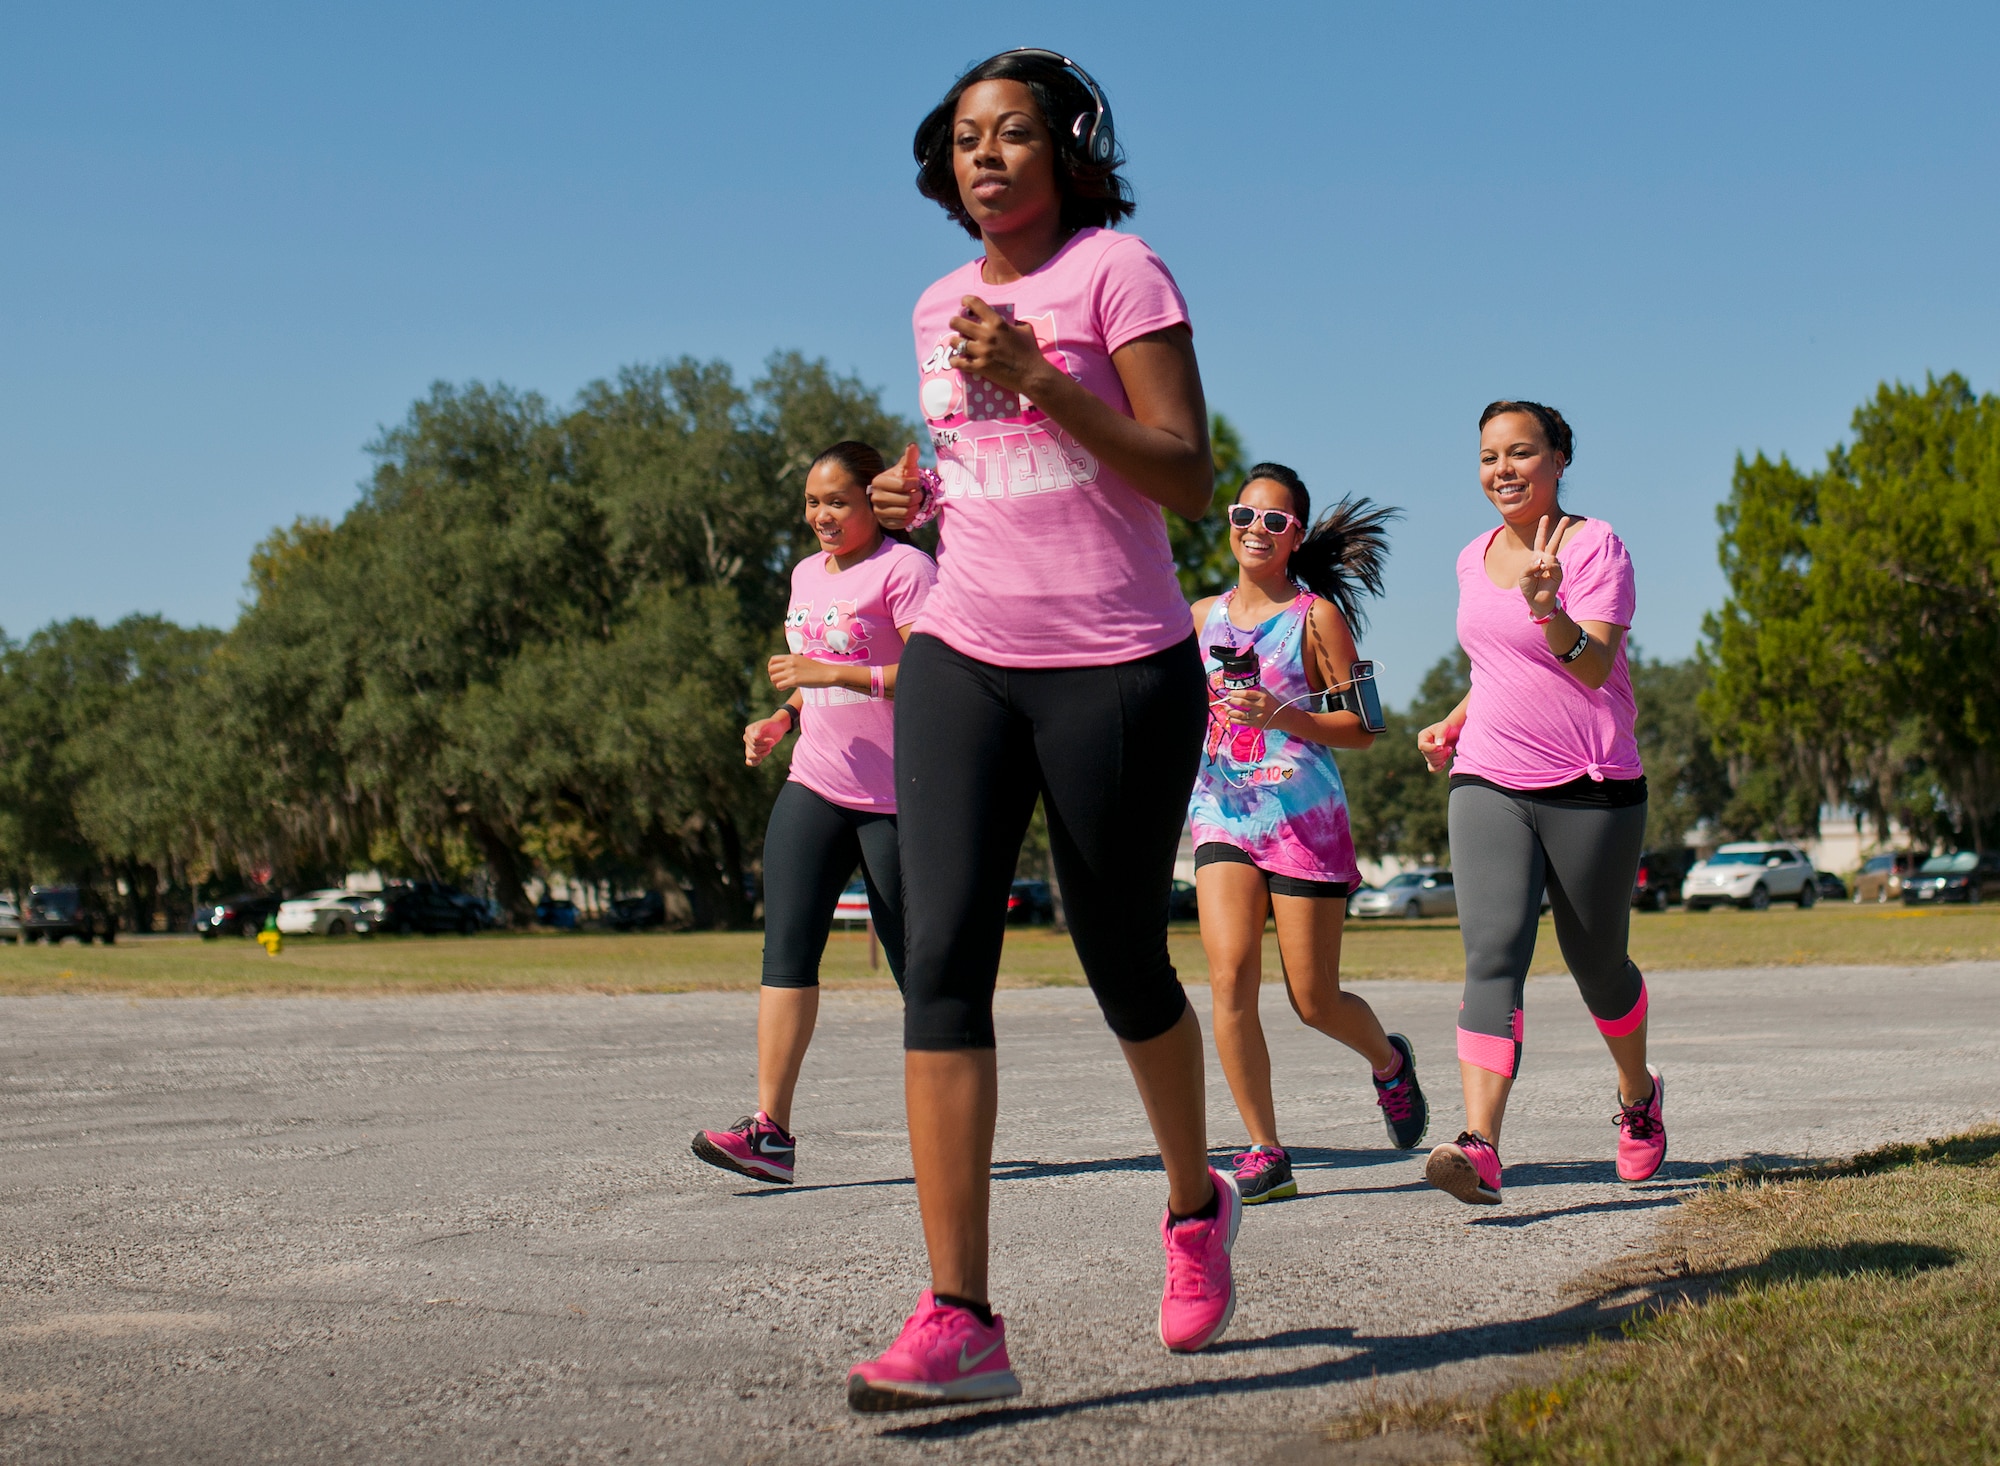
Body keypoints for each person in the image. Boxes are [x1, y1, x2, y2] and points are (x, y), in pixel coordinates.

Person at [845, 49, 1229, 1412]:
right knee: (939, 953)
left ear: (1068, 151)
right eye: (964, 139)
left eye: (1013, 134)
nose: (986, 156)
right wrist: (918, 493)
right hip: (964, 649)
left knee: (1121, 950)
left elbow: (1186, 476)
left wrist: (1049, 377)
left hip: (1119, 664)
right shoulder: (935, 304)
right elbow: (984, 476)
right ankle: (961, 1315)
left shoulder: (1120, 275)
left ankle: (1195, 1198)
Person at [1415, 401, 1665, 1207]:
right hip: (1488, 778)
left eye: (1521, 453)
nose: (1503, 470)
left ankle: (1637, 1098)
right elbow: (1497, 667)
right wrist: (1451, 722)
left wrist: (1548, 606)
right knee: (1493, 953)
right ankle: (1480, 1144)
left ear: (1559, 459)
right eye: (1489, 457)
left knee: (1597, 965)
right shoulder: (1469, 557)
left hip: (1591, 784)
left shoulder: (1596, 546)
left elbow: (1590, 669)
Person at [691, 441, 935, 1186]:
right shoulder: (804, 574)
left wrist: (830, 673)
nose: (821, 516)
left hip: (898, 801)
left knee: (918, 971)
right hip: (816, 785)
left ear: (873, 501)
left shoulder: (908, 570)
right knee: (786, 953)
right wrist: (784, 716)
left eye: (837, 501)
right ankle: (770, 1133)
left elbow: (933, 671)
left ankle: (951, 1121)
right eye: (811, 503)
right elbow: (811, 674)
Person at [1188, 464, 1428, 1205]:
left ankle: (1389, 1062)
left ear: (1295, 536)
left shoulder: (1317, 617)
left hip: (1303, 820)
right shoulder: (1201, 617)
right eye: (1243, 516)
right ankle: (1265, 1148)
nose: (1254, 530)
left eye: (1274, 521)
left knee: (1312, 998)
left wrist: (1285, 715)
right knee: (1228, 978)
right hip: (1222, 812)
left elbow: (1368, 726)